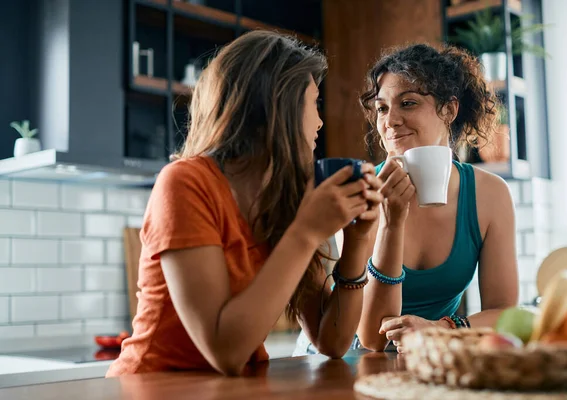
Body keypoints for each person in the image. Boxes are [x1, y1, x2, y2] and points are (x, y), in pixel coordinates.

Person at [106, 30, 384, 377]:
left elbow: (333, 341)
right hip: (152, 388)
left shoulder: (287, 200)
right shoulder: (185, 184)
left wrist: (358, 242)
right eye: (314, 103)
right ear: (277, 107)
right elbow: (226, 351)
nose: (320, 122)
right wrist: (307, 232)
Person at [352, 43, 519, 352]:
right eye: (382, 108)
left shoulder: (490, 194)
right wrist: (392, 221)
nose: (390, 121)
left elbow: (504, 313)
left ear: (449, 109)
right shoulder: (360, 190)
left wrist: (442, 328)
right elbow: (372, 339)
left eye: (408, 103)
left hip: (434, 355)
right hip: (350, 359)